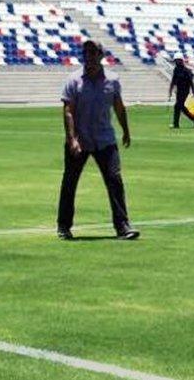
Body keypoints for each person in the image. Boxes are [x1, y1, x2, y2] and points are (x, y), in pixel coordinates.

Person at [57, 40, 139, 240]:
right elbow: (68, 111)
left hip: (105, 139)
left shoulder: (112, 80)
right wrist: (72, 139)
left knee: (114, 180)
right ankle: (64, 225)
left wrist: (125, 130)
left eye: (93, 52)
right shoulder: (74, 80)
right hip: (80, 139)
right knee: (70, 182)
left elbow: (119, 106)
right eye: (85, 52)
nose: (89, 56)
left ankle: (122, 226)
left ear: (101, 55)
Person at [168, 57, 194, 129]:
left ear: (180, 61)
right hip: (179, 91)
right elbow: (173, 80)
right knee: (180, 107)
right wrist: (170, 90)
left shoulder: (186, 71)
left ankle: (176, 124)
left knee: (178, 106)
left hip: (185, 91)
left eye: (177, 61)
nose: (176, 63)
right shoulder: (176, 70)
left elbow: (190, 82)